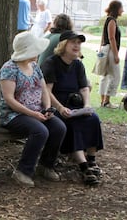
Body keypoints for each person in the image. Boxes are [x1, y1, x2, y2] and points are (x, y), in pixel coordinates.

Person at [0, 31, 66, 187]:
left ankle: (46, 165)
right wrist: (32, 114)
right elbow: (9, 99)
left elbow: (44, 89)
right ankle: (23, 171)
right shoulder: (9, 68)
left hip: (37, 111)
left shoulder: (34, 66)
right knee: (40, 131)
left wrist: (48, 108)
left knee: (59, 127)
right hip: (14, 114)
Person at [41, 31, 104, 185]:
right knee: (72, 123)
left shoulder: (78, 64)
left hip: (75, 103)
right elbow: (47, 91)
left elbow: (84, 88)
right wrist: (60, 107)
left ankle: (91, 159)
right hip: (56, 104)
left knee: (93, 119)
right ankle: (83, 166)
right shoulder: (51, 63)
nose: (77, 46)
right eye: (73, 42)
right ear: (63, 45)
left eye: (79, 43)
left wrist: (87, 104)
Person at [98, 0, 123, 108]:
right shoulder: (112, 20)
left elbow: (103, 37)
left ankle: (103, 100)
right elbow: (111, 38)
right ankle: (107, 100)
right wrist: (116, 54)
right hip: (109, 50)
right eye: (121, 8)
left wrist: (100, 49)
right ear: (117, 9)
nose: (123, 10)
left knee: (105, 75)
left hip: (105, 49)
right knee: (115, 75)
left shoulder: (108, 19)